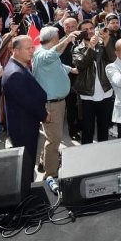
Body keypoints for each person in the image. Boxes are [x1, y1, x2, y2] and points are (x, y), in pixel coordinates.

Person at [31, 26, 80, 177]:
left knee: (50, 136)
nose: (59, 39)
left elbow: (56, 65)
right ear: (53, 39)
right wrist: (68, 39)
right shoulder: (42, 54)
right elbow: (52, 56)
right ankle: (51, 173)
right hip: (51, 104)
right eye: (58, 37)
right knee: (54, 140)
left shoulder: (45, 54)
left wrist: (70, 69)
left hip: (56, 102)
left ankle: (43, 162)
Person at [2, 35, 48, 183]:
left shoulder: (19, 65)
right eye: (28, 48)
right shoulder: (15, 73)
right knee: (25, 166)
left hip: (26, 123)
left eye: (32, 47)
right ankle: (26, 197)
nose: (32, 51)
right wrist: (44, 115)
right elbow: (27, 101)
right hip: (23, 127)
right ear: (15, 50)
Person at [71, 19, 113, 143]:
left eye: (91, 28)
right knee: (87, 130)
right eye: (85, 30)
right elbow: (81, 64)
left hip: (106, 92)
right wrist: (91, 47)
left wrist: (106, 40)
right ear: (80, 33)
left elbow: (112, 58)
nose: (89, 31)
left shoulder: (102, 44)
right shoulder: (76, 49)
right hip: (87, 96)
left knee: (103, 128)